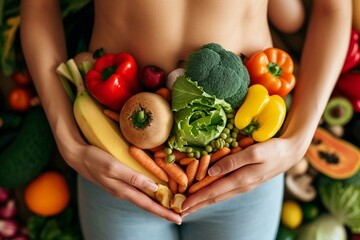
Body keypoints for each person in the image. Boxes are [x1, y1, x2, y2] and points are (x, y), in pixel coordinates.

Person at [19, 0, 351, 239]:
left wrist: (297, 142)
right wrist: (68, 142)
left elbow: (332, 7)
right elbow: (39, 6)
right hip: (118, 159)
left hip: (243, 162)